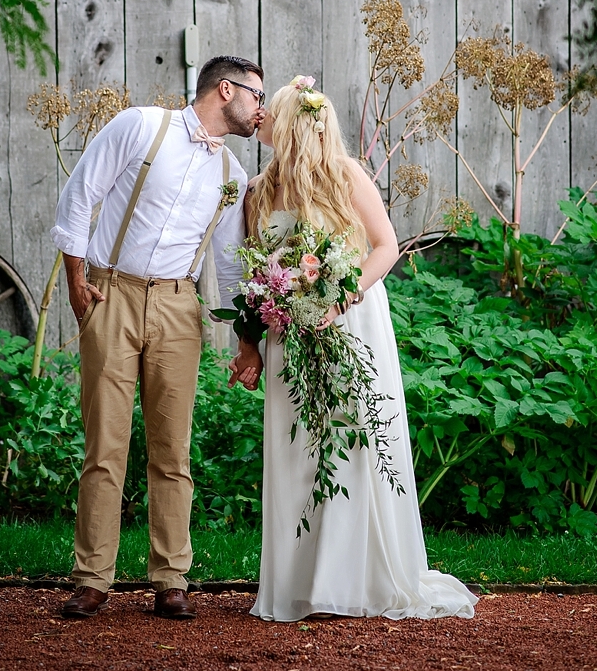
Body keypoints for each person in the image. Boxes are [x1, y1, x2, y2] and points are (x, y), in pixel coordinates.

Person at [228, 80, 478, 622]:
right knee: (300, 451)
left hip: (353, 323)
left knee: (356, 441)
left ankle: (357, 579)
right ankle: (300, 583)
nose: (263, 112)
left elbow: (386, 246)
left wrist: (339, 294)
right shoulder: (257, 192)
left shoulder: (346, 176)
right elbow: (251, 274)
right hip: (288, 331)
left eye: (275, 108)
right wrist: (248, 342)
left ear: (297, 123)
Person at [52, 55, 264, 620]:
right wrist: (77, 278)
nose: (261, 110)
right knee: (106, 444)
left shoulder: (233, 176)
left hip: (178, 306)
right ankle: (93, 577)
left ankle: (172, 577)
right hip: (110, 293)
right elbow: (80, 192)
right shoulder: (142, 126)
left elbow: (230, 262)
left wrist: (246, 338)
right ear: (226, 90)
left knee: (173, 449)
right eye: (257, 97)